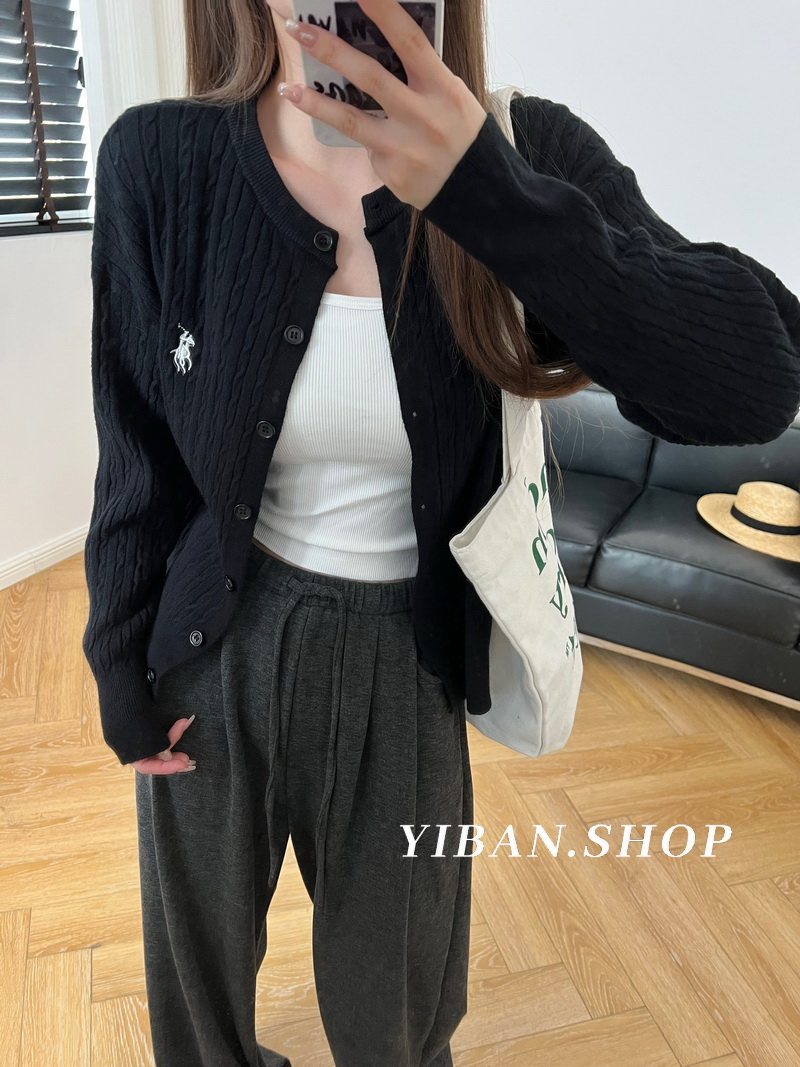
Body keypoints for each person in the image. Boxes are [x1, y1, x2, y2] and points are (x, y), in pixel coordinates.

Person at [81, 1, 800, 1064]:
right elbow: (135, 442)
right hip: (211, 647)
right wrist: (116, 657)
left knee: (402, 1007)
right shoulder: (157, 159)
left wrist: (483, 194)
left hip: (408, 663)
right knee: (196, 996)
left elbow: (755, 385)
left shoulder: (519, 152)